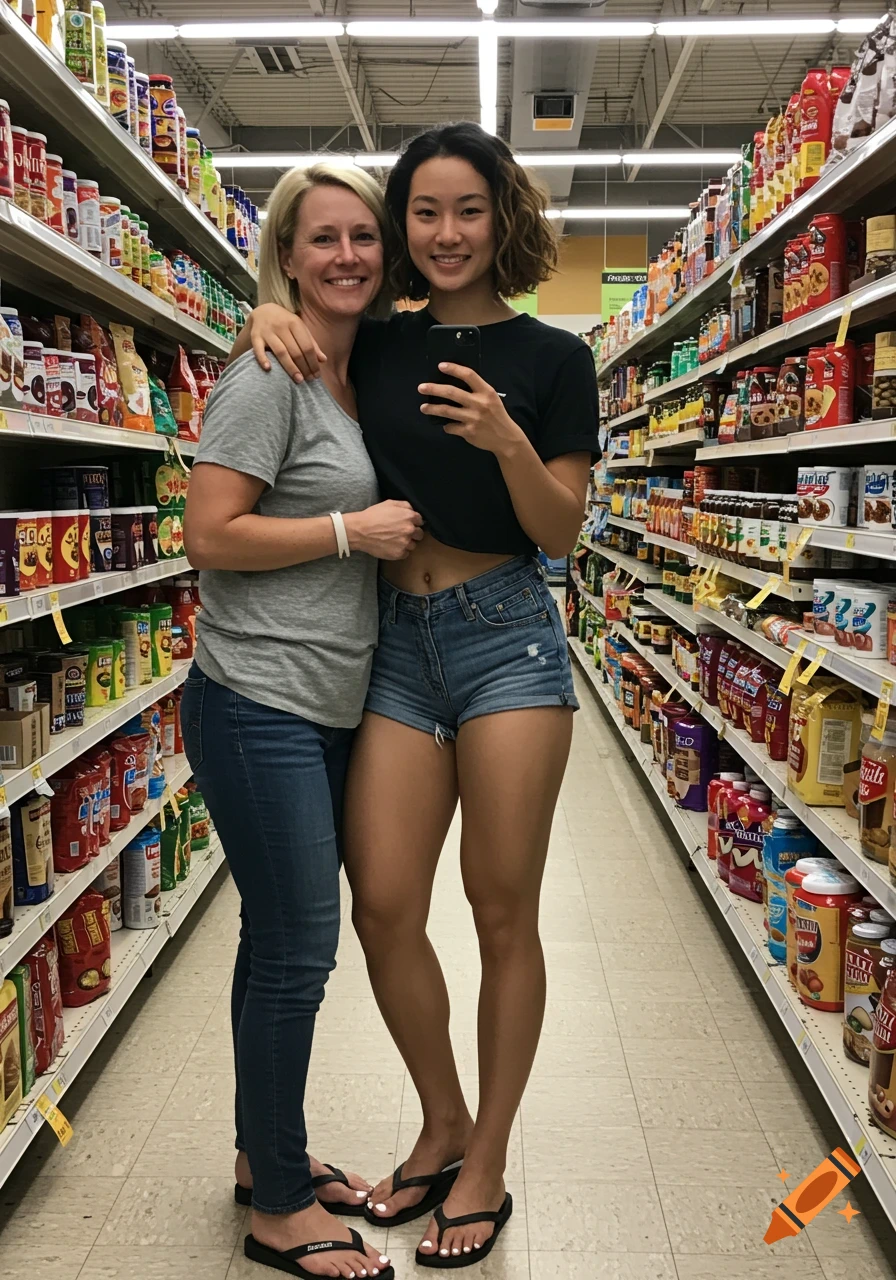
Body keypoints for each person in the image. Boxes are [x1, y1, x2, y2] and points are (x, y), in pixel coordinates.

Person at [234, 122, 600, 1270]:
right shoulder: (378, 345)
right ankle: (439, 1115)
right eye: (425, 213)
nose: (445, 234)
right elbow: (297, 354)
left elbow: (561, 531)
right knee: (383, 904)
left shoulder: (554, 358)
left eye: (468, 210)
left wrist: (505, 441)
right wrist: (262, 311)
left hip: (508, 643)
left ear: (504, 219)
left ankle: (483, 1154)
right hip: (391, 642)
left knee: (501, 910)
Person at [181, 160, 424, 1280]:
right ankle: (278, 1206)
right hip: (257, 700)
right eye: (320, 239)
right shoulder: (269, 375)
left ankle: (257, 1152)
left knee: (269, 943)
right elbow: (211, 535)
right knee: (297, 952)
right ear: (286, 251)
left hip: (327, 704)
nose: (345, 256)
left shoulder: (346, 369)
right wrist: (347, 532)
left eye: (362, 238)